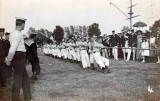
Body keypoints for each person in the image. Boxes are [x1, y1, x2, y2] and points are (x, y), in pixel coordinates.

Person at [5, 17, 32, 101]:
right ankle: (14, 99)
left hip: (19, 57)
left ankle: (28, 99)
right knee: (18, 81)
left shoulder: (13, 33)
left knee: (26, 81)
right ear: (22, 24)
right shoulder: (17, 34)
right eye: (24, 24)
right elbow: (12, 49)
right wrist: (8, 60)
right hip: (19, 57)